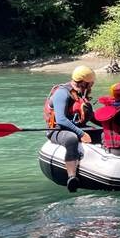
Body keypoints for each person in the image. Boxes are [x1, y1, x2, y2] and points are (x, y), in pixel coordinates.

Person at [44, 65, 98, 193]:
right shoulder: (62, 93)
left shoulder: (80, 93)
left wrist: (109, 124)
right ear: (84, 82)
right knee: (71, 139)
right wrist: (81, 133)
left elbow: (91, 117)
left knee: (102, 134)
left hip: (75, 126)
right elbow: (62, 120)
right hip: (57, 130)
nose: (92, 86)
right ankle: (72, 177)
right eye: (90, 83)